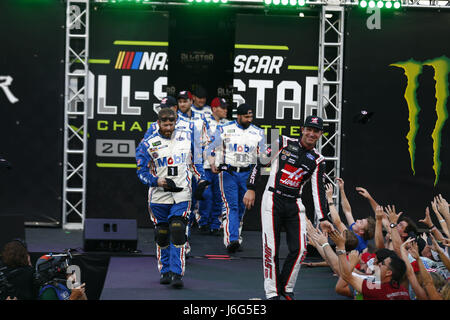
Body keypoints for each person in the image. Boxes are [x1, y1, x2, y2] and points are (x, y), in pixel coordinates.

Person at [243, 115, 334, 300]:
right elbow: (261, 162)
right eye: (308, 129)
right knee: (271, 248)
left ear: (320, 134)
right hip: (272, 198)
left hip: (295, 202)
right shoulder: (283, 141)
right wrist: (251, 188)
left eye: (316, 131)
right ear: (302, 129)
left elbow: (318, 191)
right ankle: (272, 293)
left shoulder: (318, 159)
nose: (311, 133)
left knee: (300, 249)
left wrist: (323, 218)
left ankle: (286, 287)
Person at [136, 108, 209, 289]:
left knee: (177, 229)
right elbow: (141, 172)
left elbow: (196, 162)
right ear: (158, 123)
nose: (168, 127)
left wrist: (201, 179)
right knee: (161, 234)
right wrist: (156, 180)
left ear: (176, 122)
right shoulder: (148, 143)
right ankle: (165, 270)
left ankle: (177, 273)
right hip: (159, 195)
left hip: (182, 193)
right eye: (165, 124)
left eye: (171, 123)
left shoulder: (187, 138)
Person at [206, 103, 266, 254]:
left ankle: (235, 237)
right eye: (246, 116)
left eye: (251, 116)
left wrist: (265, 156)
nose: (249, 119)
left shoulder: (258, 132)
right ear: (238, 116)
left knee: (241, 207)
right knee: (230, 206)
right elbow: (210, 148)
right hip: (228, 172)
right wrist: (212, 162)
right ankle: (231, 240)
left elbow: (264, 156)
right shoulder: (225, 129)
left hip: (247, 173)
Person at [331, 228, 410, 300]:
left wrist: (341, 248)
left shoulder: (375, 288)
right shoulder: (403, 291)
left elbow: (346, 276)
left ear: (388, 273)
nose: (378, 264)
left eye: (382, 263)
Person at [197, 97, 229, 235]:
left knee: (219, 196)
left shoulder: (228, 124)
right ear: (214, 109)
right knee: (206, 195)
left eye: (226, 107)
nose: (226, 110)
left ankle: (216, 224)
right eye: (222, 108)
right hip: (205, 165)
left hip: (221, 165)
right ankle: (203, 222)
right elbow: (200, 145)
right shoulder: (202, 123)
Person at [335, 178, 375, 253]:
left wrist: (330, 200)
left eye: (360, 222)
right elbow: (347, 211)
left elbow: (338, 222)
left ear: (361, 231)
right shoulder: (356, 231)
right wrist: (342, 190)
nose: (357, 220)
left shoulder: (361, 245)